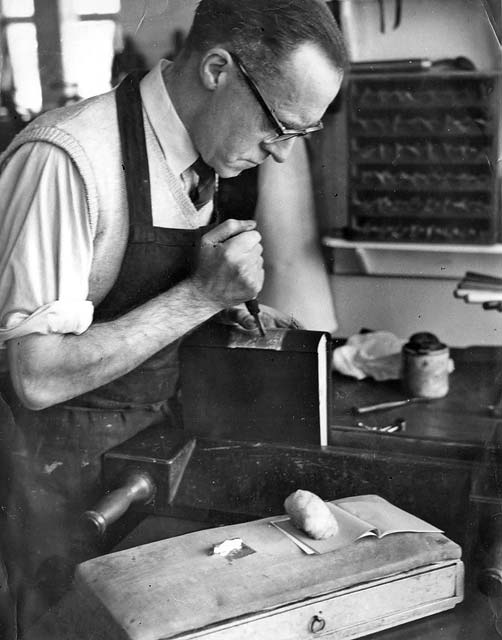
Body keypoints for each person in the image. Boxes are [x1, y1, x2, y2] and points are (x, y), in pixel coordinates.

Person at [0, 0, 346, 634]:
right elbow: (34, 375)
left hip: (146, 457)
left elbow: (131, 304)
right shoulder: (68, 159)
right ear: (217, 69)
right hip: (51, 492)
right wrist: (199, 298)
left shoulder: (201, 155)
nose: (279, 154)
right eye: (280, 127)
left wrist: (218, 317)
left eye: (301, 136)